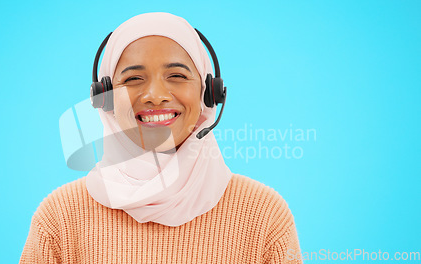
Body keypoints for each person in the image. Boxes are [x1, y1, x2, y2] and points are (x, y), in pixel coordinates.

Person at [20, 12, 302, 264]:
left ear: (208, 93)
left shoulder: (263, 214)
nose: (156, 95)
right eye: (132, 79)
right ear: (104, 98)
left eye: (177, 75)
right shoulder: (60, 217)